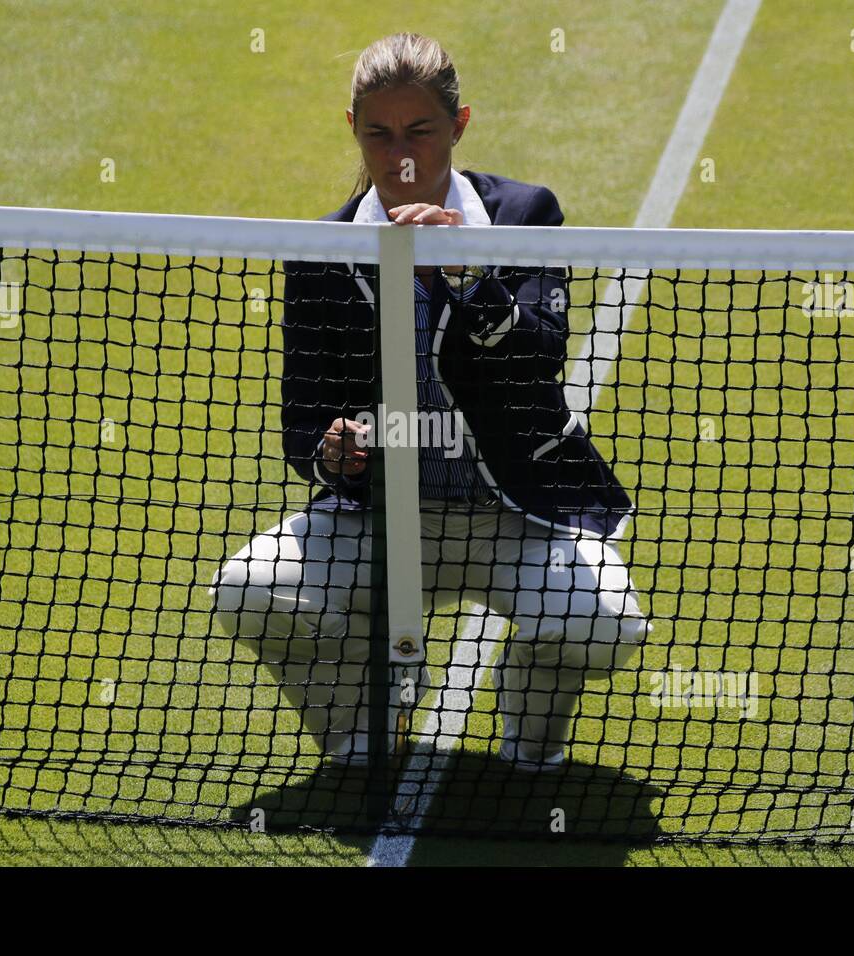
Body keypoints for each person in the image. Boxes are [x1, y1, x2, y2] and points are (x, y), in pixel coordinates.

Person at [208, 32, 650, 771]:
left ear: (460, 125)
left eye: (420, 131)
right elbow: (302, 426)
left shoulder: (523, 218)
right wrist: (331, 451)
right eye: (379, 134)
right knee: (248, 591)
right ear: (352, 126)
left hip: (518, 514)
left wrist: (469, 276)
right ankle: (363, 718)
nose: (400, 156)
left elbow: (539, 357)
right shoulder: (321, 251)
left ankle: (525, 709)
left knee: (603, 628)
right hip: (382, 520)